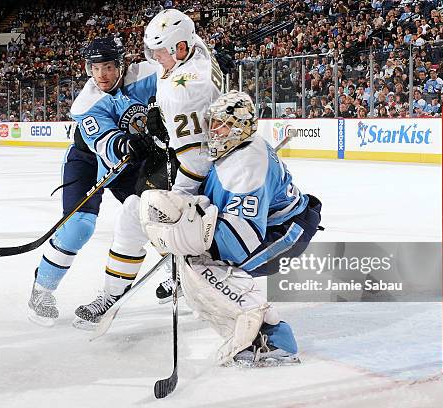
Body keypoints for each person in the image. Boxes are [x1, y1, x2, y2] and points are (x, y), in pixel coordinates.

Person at [139, 91, 323, 364]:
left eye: (221, 125)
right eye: (211, 124)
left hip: (286, 232)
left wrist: (188, 239)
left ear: (240, 128)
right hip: (272, 224)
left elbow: (239, 242)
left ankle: (274, 339)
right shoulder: (233, 149)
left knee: (207, 263)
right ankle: (255, 329)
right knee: (198, 262)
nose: (213, 132)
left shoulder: (246, 166)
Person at [71, 9, 225, 326]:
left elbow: (195, 158)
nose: (154, 58)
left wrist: (176, 204)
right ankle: (187, 270)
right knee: (136, 209)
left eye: (160, 51)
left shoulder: (183, 89)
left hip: (205, 172)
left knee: (139, 215)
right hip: (210, 160)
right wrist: (157, 125)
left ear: (179, 48)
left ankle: (184, 277)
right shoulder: (196, 50)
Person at [27, 38, 158, 327]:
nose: (102, 75)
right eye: (96, 68)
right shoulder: (86, 102)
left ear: (121, 65)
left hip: (130, 164)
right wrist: (126, 144)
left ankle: (183, 277)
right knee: (78, 226)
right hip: (88, 163)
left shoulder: (147, 74)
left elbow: (179, 76)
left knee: (157, 218)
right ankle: (42, 291)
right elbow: (106, 142)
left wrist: (204, 66)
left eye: (109, 67)